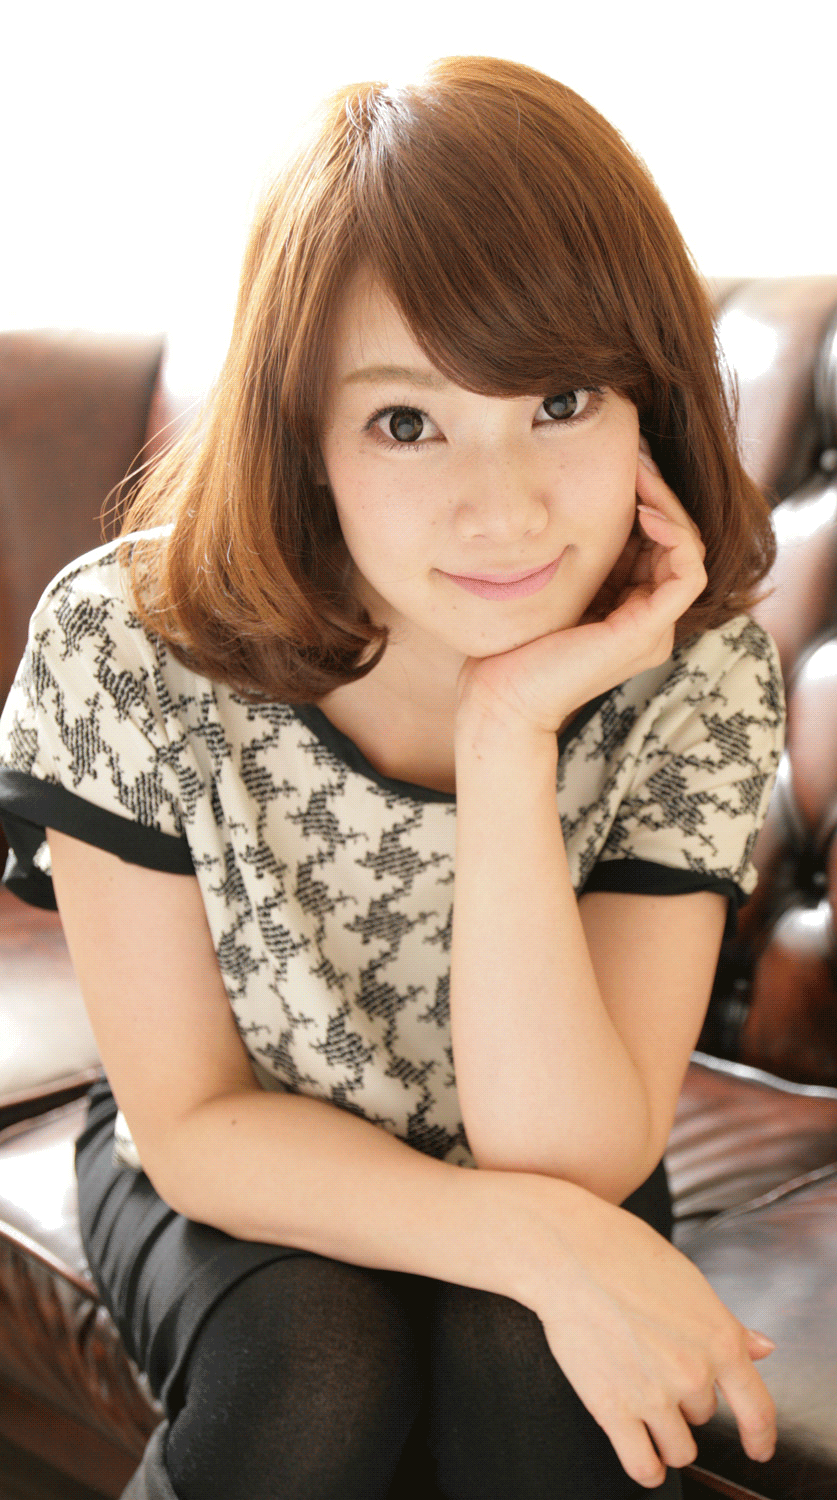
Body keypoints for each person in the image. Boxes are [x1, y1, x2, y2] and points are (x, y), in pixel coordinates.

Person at [0, 56, 785, 1500]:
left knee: (532, 1369)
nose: (505, 508)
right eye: (407, 422)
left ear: (649, 405)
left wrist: (509, 737)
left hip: (557, 1149)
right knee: (312, 1361)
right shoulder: (128, 643)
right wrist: (535, 1243)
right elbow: (195, 1124)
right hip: (238, 1150)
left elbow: (570, 1161)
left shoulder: (702, 675)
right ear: (304, 439)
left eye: (561, 400)